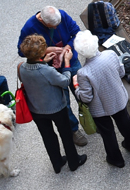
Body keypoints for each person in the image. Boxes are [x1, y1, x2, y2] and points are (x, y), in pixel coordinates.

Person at [19, 35, 86, 173]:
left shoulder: (21, 67)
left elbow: (33, 74)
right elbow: (64, 81)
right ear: (41, 53)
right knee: (65, 134)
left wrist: (44, 62)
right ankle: (74, 161)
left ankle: (57, 163)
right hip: (56, 108)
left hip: (36, 110)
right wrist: (66, 63)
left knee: (48, 137)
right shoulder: (46, 70)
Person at [73, 31, 130, 168]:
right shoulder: (110, 54)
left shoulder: (83, 73)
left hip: (100, 108)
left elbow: (86, 97)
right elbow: (121, 72)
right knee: (125, 122)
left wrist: (76, 86)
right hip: (118, 98)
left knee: (107, 133)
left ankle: (116, 159)